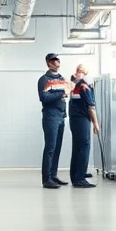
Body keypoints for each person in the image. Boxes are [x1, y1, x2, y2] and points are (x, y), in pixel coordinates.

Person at [37, 52, 71, 188]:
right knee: (50, 148)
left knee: (57, 148)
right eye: (54, 60)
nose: (57, 62)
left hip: (61, 115)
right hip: (50, 116)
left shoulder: (62, 79)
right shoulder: (44, 80)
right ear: (49, 63)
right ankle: (46, 179)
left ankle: (53, 175)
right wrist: (61, 93)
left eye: (58, 60)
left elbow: (64, 97)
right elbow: (44, 98)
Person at [67, 65, 99, 189]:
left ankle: (76, 175)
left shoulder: (75, 85)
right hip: (81, 119)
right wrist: (96, 124)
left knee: (77, 147)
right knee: (84, 146)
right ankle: (80, 178)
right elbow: (91, 107)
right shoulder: (84, 86)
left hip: (75, 119)